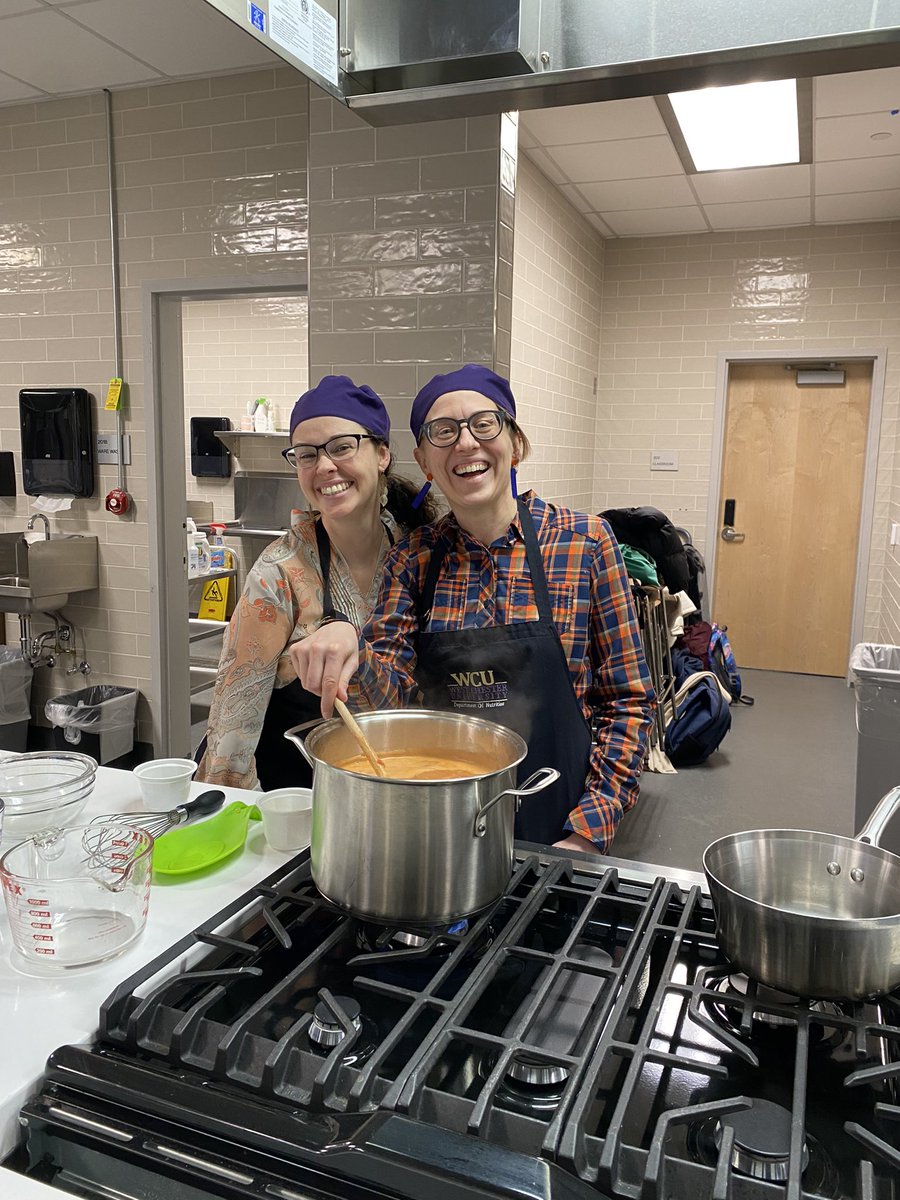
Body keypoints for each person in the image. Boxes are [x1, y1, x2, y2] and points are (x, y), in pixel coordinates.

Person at [290, 364, 655, 854]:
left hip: (561, 829)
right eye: (443, 432)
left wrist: (588, 831)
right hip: (441, 832)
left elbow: (627, 701)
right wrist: (351, 646)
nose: (465, 443)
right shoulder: (414, 558)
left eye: (484, 424)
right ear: (424, 461)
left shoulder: (585, 544)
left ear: (517, 443)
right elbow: (386, 707)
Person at [195, 375, 437, 791]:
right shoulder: (280, 574)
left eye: (342, 447)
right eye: (306, 455)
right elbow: (234, 718)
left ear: (382, 454)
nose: (324, 466)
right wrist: (228, 810)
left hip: (403, 780)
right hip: (303, 800)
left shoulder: (418, 554)